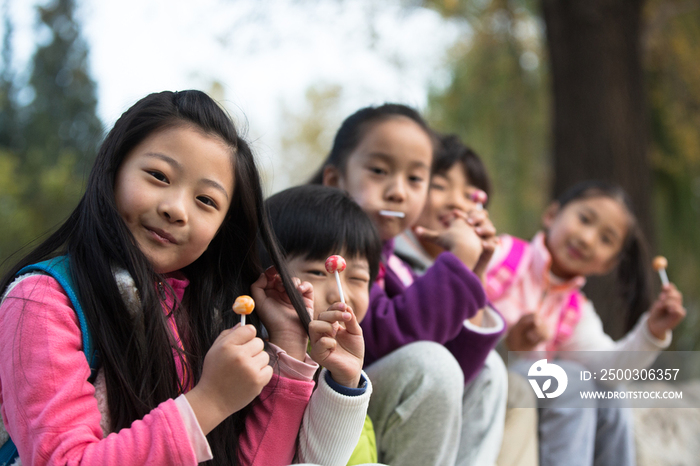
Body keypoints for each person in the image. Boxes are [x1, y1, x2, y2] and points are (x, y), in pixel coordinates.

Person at [0, 90, 368, 466]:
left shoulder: (208, 317)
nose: (176, 209)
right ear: (113, 169)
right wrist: (208, 402)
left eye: (206, 201)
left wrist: (289, 342)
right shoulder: (42, 301)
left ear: (222, 230)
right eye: (159, 176)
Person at [310, 103, 506, 465]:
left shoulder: (392, 260)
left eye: (415, 179)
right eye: (380, 171)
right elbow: (382, 339)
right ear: (335, 179)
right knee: (431, 363)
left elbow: (459, 368)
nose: (399, 191)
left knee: (491, 370)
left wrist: (473, 267)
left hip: (373, 396)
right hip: (330, 404)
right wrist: (458, 260)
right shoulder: (323, 246)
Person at [486, 179, 687, 466]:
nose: (588, 238)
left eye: (606, 239)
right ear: (552, 215)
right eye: (584, 219)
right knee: (570, 380)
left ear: (607, 265)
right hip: (487, 371)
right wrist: (508, 344)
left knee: (611, 396)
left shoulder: (575, 312)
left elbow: (611, 370)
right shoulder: (501, 254)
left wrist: (652, 331)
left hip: (535, 394)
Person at [394, 133, 539, 466]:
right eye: (440, 186)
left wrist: (478, 267)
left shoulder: (454, 264)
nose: (456, 203)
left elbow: (468, 357)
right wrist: (461, 260)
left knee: (515, 388)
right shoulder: (392, 258)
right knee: (492, 369)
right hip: (399, 392)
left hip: (441, 388)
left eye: (470, 194)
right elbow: (424, 349)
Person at [264, 185, 383, 465]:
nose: (339, 293)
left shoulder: (347, 359)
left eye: (357, 278)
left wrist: (346, 382)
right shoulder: (262, 358)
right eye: (318, 272)